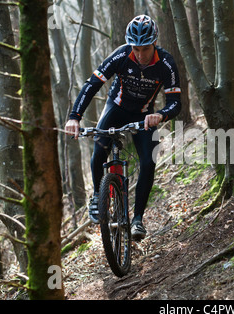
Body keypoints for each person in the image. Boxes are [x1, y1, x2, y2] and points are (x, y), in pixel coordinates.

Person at [65, 15, 181, 241]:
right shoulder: (121, 55)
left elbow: (176, 102)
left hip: (144, 115)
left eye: (144, 49)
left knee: (148, 162)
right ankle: (98, 197)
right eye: (135, 48)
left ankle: (137, 219)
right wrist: (74, 117)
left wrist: (161, 115)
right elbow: (92, 85)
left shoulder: (166, 63)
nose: (139, 54)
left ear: (154, 43)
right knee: (99, 151)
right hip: (116, 109)